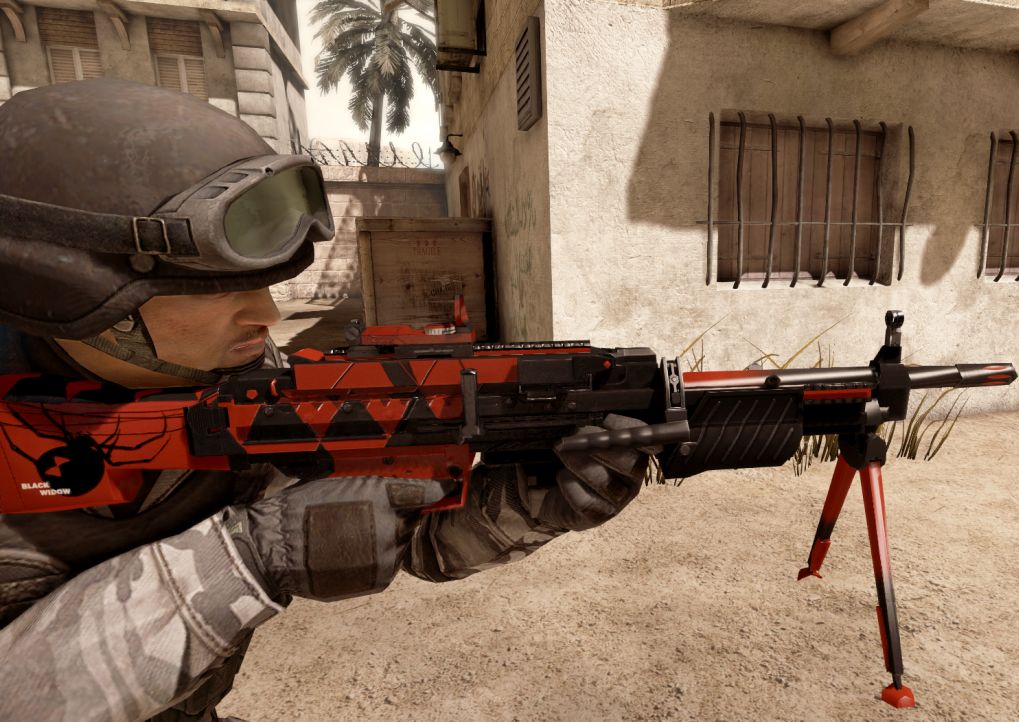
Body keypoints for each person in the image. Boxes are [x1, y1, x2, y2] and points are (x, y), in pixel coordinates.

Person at [0, 79, 654, 722]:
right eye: (219, 290)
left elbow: (406, 540)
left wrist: (528, 505)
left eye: (266, 284)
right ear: (78, 291)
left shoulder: (244, 380)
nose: (268, 315)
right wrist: (249, 556)